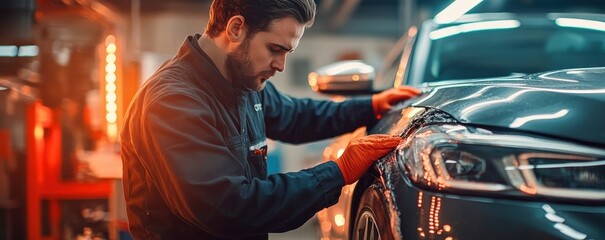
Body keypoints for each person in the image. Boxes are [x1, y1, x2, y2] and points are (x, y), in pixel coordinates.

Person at [119, 0, 420, 239]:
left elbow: (298, 116)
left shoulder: (243, 82)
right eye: (275, 49)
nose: (280, 64)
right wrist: (337, 172)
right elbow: (230, 207)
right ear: (236, 29)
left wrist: (371, 106)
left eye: (288, 52)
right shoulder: (173, 102)